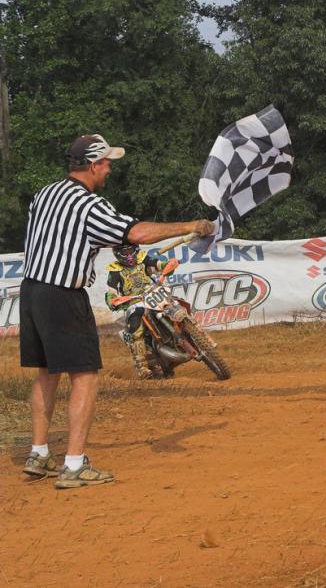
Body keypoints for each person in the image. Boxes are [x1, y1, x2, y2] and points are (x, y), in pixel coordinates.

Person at [21, 134, 214, 489]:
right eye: (107, 162)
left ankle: (39, 454)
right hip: (64, 293)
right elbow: (136, 234)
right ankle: (75, 466)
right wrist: (191, 225)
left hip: (32, 290)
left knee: (46, 373)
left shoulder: (45, 194)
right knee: (86, 376)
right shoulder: (90, 205)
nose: (110, 168)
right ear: (93, 164)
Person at [104, 244, 172, 379]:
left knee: (174, 304)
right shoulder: (115, 270)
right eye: (125, 252)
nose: (129, 255)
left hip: (153, 293)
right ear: (117, 253)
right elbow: (111, 291)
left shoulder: (143, 259)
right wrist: (112, 300)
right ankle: (142, 366)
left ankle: (194, 333)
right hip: (134, 301)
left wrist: (167, 265)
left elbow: (157, 264)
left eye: (130, 250)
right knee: (135, 326)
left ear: (135, 250)